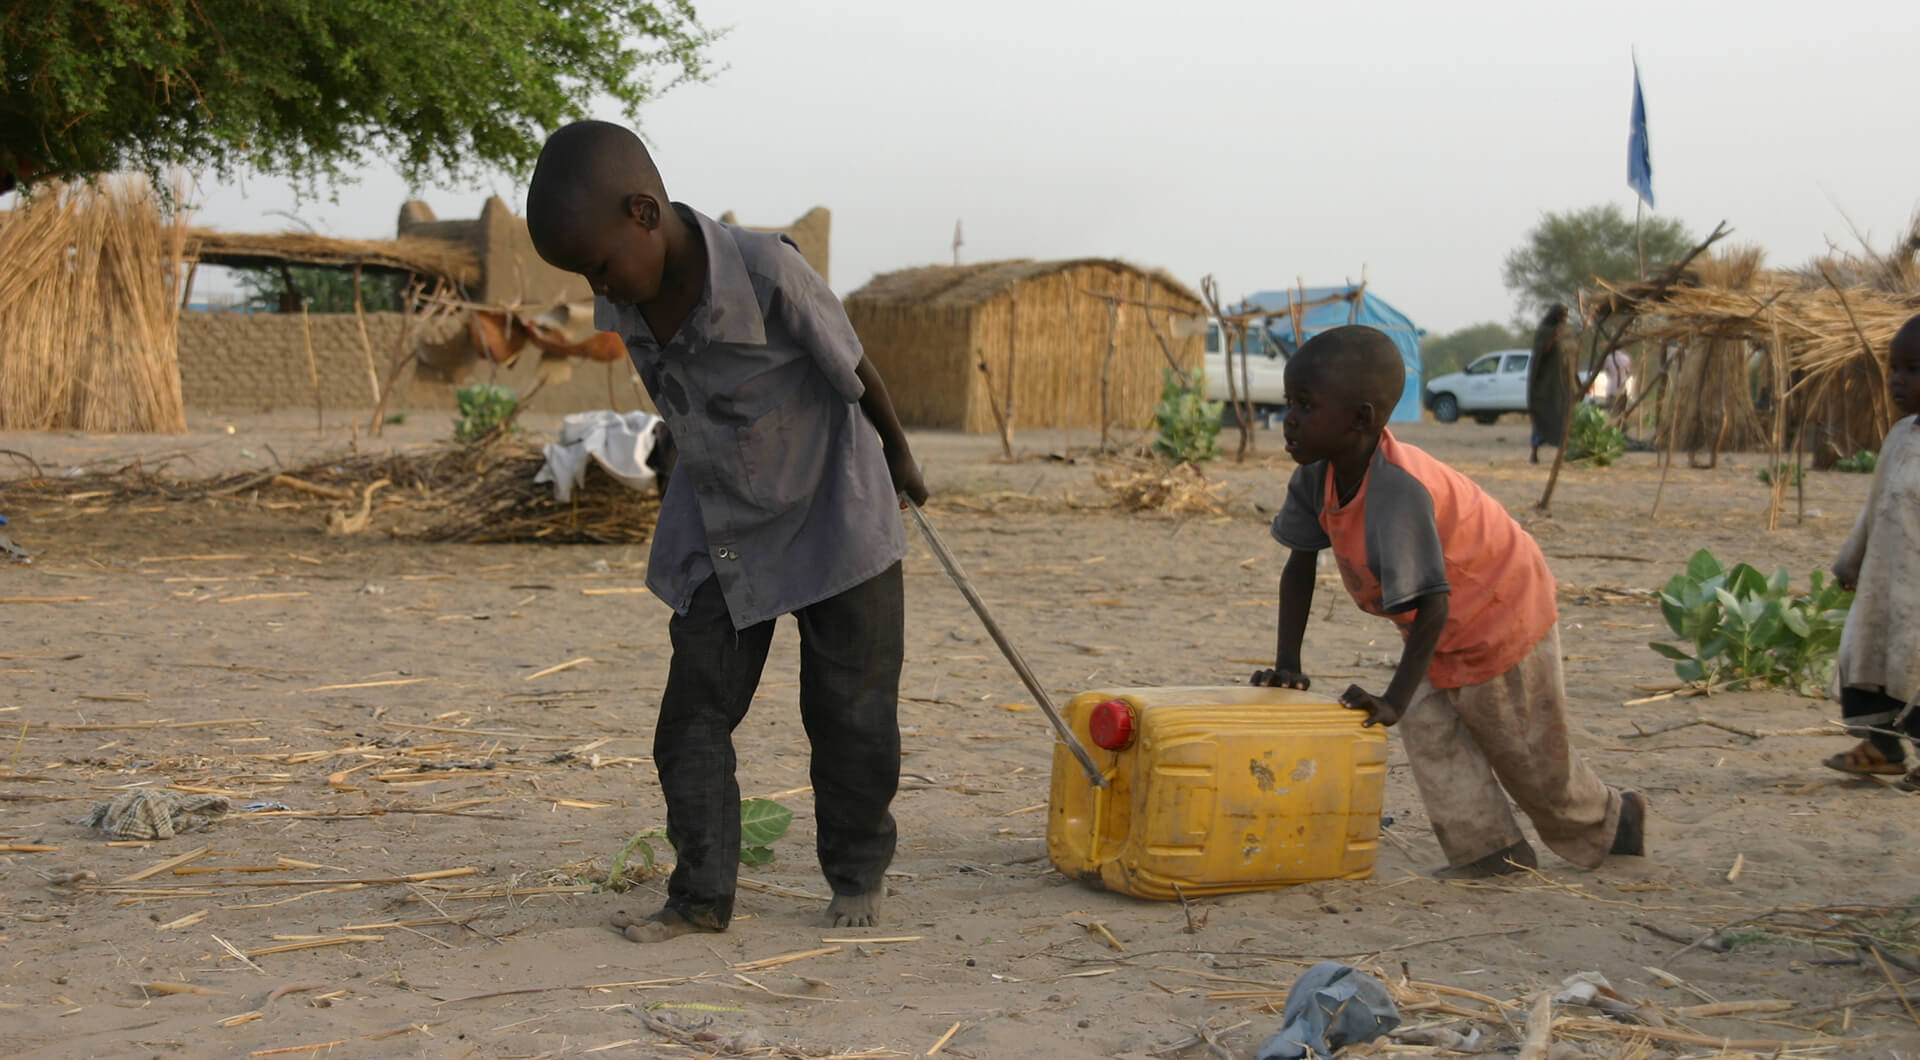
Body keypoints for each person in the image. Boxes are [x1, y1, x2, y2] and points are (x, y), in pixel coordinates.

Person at [525, 121, 928, 941]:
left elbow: (852, 368)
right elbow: (676, 400)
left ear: (644, 212)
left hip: (835, 512)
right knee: (692, 720)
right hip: (725, 527)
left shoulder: (769, 268)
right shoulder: (627, 294)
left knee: (849, 714)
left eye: (599, 265)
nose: (602, 289)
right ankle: (700, 897)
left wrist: (900, 458)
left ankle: (856, 872)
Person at [1253, 325, 1645, 878]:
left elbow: (1435, 604)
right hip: (1435, 625)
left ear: (1361, 419)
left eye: (1306, 405)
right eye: (1290, 402)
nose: (1288, 418)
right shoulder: (1316, 475)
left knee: (1526, 755)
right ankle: (1489, 852)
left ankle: (1613, 819)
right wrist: (1289, 664)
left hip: (1501, 608)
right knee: (1428, 727)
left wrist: (1391, 696)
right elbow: (1299, 566)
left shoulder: (1397, 491)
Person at [1822, 314, 1920, 788]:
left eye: (1913, 370)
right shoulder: (1900, 436)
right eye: (1894, 369)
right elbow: (1874, 506)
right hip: (1883, 586)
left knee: (1913, 670)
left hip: (1917, 597)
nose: (1899, 381)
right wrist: (1851, 560)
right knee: (1864, 660)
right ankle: (1882, 747)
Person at [1527, 304, 1571, 464]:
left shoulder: (1564, 334)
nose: (1564, 321)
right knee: (1541, 419)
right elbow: (1543, 350)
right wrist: (1554, 335)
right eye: (1562, 317)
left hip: (1558, 385)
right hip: (1544, 386)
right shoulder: (1544, 331)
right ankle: (1534, 452)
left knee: (1561, 418)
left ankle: (1563, 453)